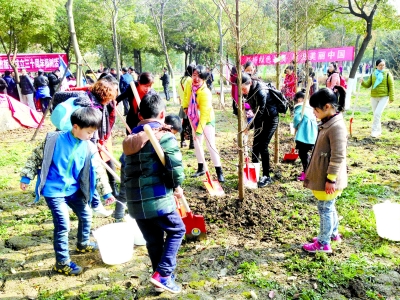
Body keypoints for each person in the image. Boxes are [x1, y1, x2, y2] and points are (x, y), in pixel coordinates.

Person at [20, 107, 116, 275]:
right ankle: (62, 262)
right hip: (53, 191)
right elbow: (36, 156)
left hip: (74, 190)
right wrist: (26, 177)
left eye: (93, 132)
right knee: (63, 225)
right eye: (89, 132)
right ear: (75, 127)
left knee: (86, 214)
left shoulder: (89, 148)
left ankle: (83, 243)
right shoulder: (53, 139)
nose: (92, 136)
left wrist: (106, 193)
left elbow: (98, 172)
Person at [122, 93, 185, 294]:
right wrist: (176, 186)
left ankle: (159, 280)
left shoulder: (129, 140)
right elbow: (175, 170)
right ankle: (164, 273)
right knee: (177, 230)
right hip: (157, 199)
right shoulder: (165, 136)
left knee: (154, 240)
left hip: (135, 203)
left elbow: (126, 170)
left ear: (140, 115)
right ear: (163, 114)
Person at [302, 86, 347, 253]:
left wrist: (330, 179)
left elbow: (338, 156)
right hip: (326, 177)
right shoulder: (329, 122)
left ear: (327, 107)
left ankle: (323, 243)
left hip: (328, 180)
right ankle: (333, 233)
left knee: (325, 209)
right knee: (330, 206)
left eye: (316, 109)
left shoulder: (337, 127)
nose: (314, 112)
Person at [182, 65, 225, 182]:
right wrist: (186, 107)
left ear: (204, 78)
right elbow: (186, 96)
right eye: (194, 75)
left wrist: (199, 131)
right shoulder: (189, 83)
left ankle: (219, 171)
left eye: (199, 76)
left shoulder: (205, 92)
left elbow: (205, 115)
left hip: (207, 120)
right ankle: (201, 168)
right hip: (193, 116)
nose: (196, 78)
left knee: (211, 145)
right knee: (197, 144)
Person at [240, 72, 279, 187]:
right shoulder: (248, 91)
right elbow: (253, 111)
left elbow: (260, 112)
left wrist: (249, 126)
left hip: (270, 119)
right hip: (259, 119)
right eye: (240, 90)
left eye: (244, 89)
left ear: (250, 83)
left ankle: (266, 176)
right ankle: (254, 174)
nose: (243, 92)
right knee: (255, 146)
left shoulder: (261, 91)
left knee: (263, 145)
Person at [360, 59, 395, 138]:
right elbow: (368, 85)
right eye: (380, 65)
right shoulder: (373, 74)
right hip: (374, 97)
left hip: (384, 97)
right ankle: (378, 131)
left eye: (383, 65)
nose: (382, 67)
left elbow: (391, 86)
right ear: (376, 66)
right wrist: (362, 82)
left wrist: (391, 97)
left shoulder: (387, 74)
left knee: (377, 114)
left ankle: (374, 131)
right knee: (376, 115)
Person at [292, 90, 318, 181]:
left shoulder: (299, 108)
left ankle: (307, 173)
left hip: (304, 135)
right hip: (313, 134)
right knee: (311, 152)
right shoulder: (310, 108)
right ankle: (310, 170)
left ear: (299, 100)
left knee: (302, 153)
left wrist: (295, 126)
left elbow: (296, 119)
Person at [177, 64, 194, 149]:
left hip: (182, 104)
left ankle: (182, 141)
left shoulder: (181, 80)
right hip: (189, 105)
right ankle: (192, 143)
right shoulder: (190, 80)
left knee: (183, 124)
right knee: (191, 124)